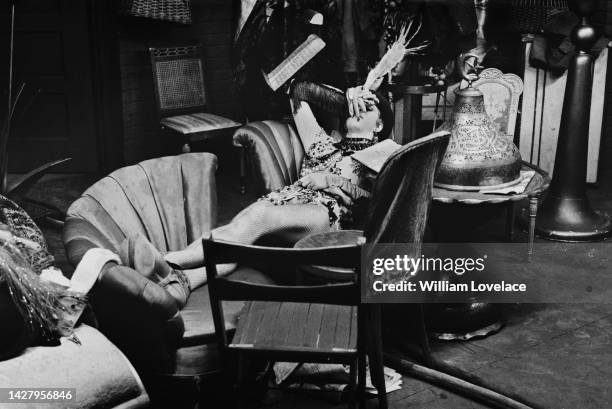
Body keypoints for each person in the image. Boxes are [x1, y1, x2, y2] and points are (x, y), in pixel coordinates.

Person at [120, 79, 394, 309]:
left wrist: (339, 182)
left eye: (368, 106)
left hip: (325, 218)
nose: (358, 108)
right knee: (242, 235)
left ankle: (166, 260)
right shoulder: (322, 145)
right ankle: (180, 283)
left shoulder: (384, 154)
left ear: (380, 125)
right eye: (355, 104)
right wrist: (343, 97)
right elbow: (299, 91)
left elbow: (383, 202)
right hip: (285, 205)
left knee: (258, 217)